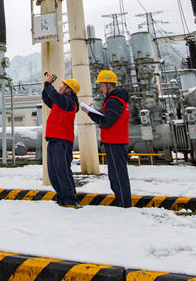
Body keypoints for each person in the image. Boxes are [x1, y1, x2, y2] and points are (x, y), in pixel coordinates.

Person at [86, 70, 132, 208]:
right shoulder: (117, 100)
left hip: (115, 141)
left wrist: (90, 113)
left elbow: (107, 121)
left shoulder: (114, 101)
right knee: (116, 174)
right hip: (116, 140)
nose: (100, 87)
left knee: (118, 175)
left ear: (109, 84)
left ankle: (123, 203)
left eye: (101, 85)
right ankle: (122, 201)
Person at [42, 72, 81, 208]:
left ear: (69, 90)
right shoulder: (60, 102)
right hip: (53, 139)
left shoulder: (69, 102)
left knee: (62, 170)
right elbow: (47, 98)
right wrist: (48, 85)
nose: (61, 87)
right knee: (53, 173)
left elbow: (54, 95)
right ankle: (61, 197)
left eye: (63, 86)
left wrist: (48, 84)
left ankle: (70, 200)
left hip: (62, 141)